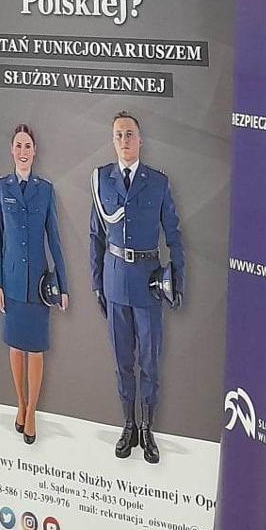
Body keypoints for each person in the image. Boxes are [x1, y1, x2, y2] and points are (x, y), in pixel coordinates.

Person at [89, 111, 183, 463]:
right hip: (115, 282)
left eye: (130, 134)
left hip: (148, 283)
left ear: (141, 140)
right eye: (118, 135)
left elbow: (174, 235)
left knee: (150, 363)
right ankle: (128, 425)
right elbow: (96, 235)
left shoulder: (157, 182)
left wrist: (178, 280)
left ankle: (147, 428)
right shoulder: (102, 180)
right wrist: (97, 282)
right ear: (113, 140)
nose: (124, 140)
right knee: (123, 362)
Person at [0, 124, 69, 445]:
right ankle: (20, 403)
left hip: (38, 283)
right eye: (18, 145)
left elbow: (55, 240)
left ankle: (33, 410)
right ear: (12, 150)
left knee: (35, 349)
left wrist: (63, 285)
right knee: (15, 347)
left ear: (35, 151)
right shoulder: (1, 187)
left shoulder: (46, 190)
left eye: (28, 146)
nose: (23, 151)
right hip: (11, 281)